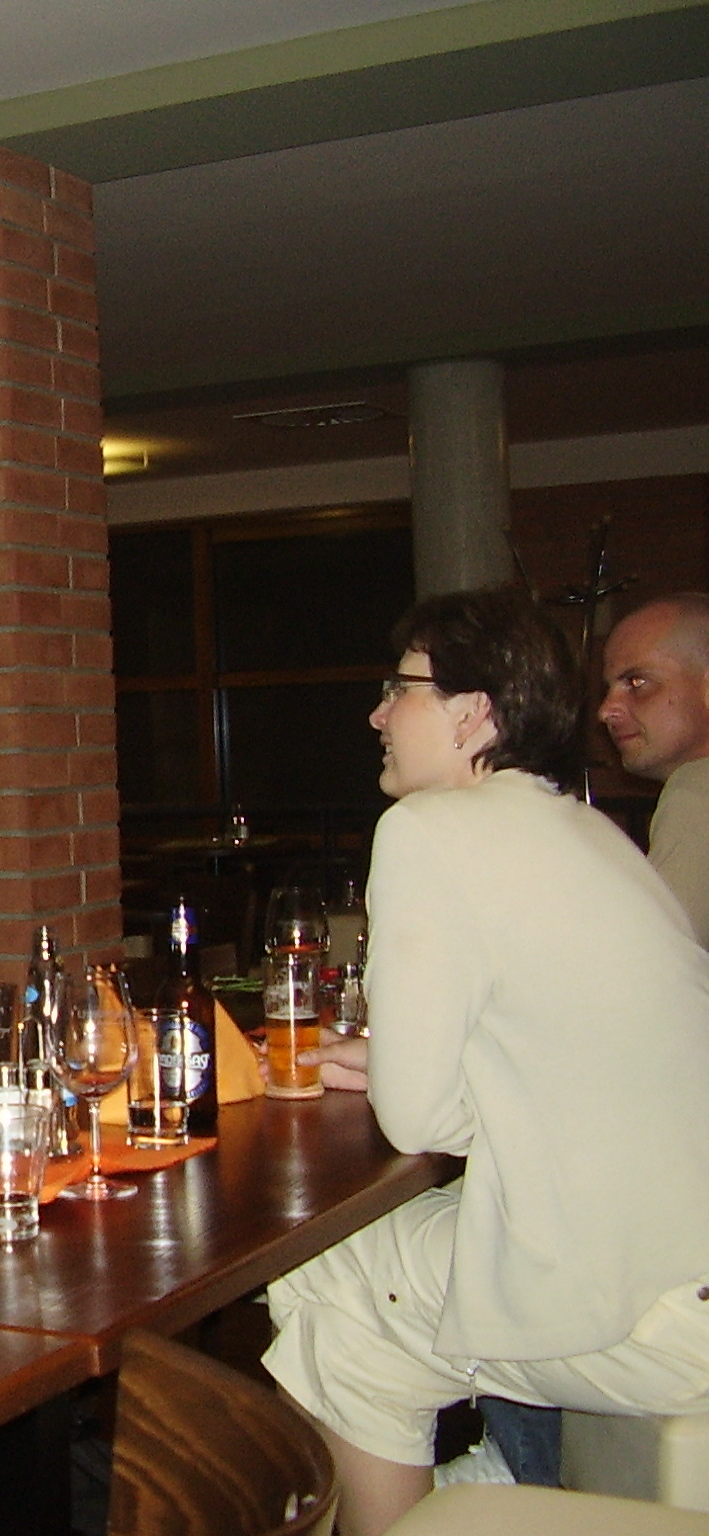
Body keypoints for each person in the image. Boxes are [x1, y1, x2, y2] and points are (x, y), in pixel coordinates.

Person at [264, 588, 709, 1536]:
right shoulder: (588, 829)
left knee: (325, 1276)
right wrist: (404, 1063)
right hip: (685, 1252)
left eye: (400, 689)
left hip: (662, 1308)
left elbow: (418, 1120)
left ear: (473, 713)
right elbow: (572, 1054)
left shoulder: (427, 829)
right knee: (369, 1277)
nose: (378, 714)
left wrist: (403, 1076)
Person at [601, 593, 709, 947]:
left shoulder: (698, 789)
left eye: (637, 683)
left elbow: (655, 957)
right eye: (609, 688)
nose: (606, 710)